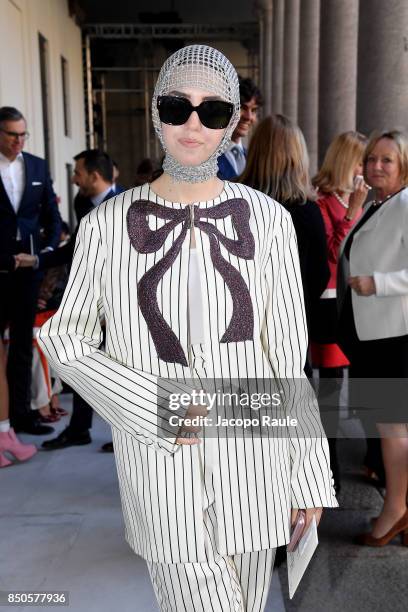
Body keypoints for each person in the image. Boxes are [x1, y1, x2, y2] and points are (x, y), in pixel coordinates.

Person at [38, 45, 337, 611]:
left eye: (213, 110)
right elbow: (63, 337)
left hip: (256, 459)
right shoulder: (107, 225)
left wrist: (309, 475)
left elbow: (286, 357)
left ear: (233, 122)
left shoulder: (269, 220)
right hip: (160, 470)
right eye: (178, 106)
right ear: (156, 114)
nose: (194, 124)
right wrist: (152, 405)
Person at [17, 150, 118, 451]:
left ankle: (129, 436)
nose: (74, 179)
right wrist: (36, 260)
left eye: (77, 173)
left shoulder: (131, 204)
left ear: (94, 176)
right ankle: (79, 430)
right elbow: (75, 249)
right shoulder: (82, 203)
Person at [338, 130, 408, 546]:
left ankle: (395, 511)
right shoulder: (381, 205)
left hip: (393, 335)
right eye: (371, 159)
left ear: (403, 165)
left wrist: (378, 283)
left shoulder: (404, 204)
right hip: (377, 335)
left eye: (387, 160)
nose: (375, 166)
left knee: (394, 430)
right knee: (392, 429)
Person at [239, 114, 330, 366]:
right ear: (297, 158)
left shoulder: (231, 200)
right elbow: (319, 276)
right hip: (289, 329)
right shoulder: (307, 211)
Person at [311, 131, 369, 492]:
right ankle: (327, 471)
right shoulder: (321, 202)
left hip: (355, 303)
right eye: (363, 161)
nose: (368, 168)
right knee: (330, 392)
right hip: (328, 304)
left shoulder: (358, 200)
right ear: (346, 161)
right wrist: (351, 213)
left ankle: (367, 459)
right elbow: (330, 257)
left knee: (359, 386)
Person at [0, 106, 61, 435]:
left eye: (23, 134)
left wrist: (47, 251)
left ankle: (22, 416)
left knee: (23, 345)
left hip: (28, 274)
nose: (18, 141)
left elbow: (51, 214)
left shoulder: (36, 165)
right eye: (12, 134)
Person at [217, 75, 262, 180]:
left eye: (254, 110)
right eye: (242, 108)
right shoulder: (207, 158)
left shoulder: (255, 159)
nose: (249, 117)